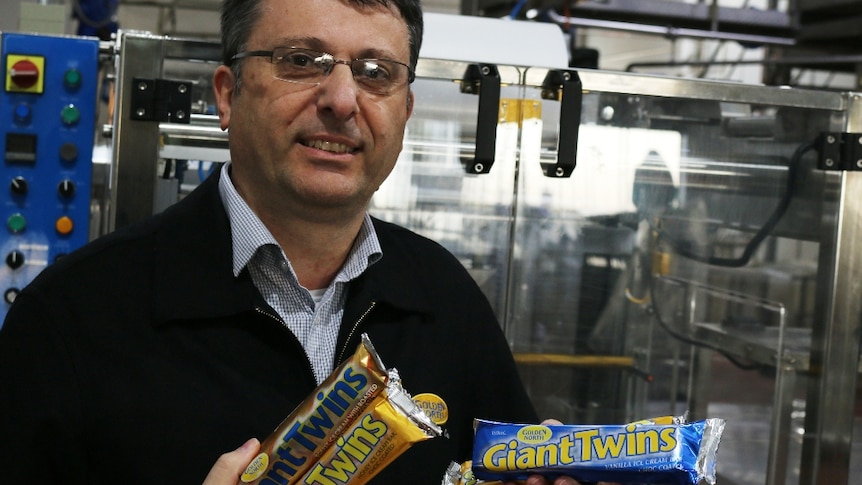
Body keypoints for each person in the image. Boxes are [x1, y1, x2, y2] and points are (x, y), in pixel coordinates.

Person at [0, 0, 603, 484]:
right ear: (228, 95)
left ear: (405, 110)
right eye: (301, 60)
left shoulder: (443, 295)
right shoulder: (72, 316)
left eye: (376, 73)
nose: (342, 100)